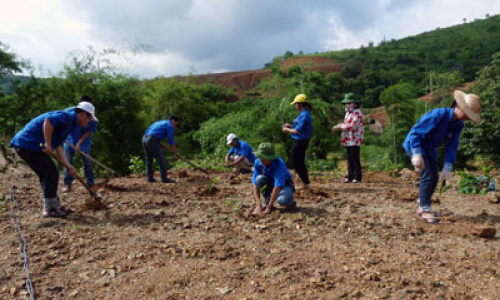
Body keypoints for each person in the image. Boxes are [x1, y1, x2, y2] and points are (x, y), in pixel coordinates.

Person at [403, 90, 481, 224]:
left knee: (434, 176)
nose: (468, 118)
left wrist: (447, 165)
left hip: (429, 149)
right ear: (460, 107)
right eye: (468, 114)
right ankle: (424, 209)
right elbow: (415, 133)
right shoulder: (438, 114)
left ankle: (423, 201)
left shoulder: (458, 125)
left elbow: (452, 145)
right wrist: (416, 153)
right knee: (428, 175)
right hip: (416, 145)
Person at [10, 102, 98, 218]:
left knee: (47, 174)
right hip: (28, 144)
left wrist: (68, 166)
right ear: (82, 115)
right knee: (52, 173)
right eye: (89, 119)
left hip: (26, 145)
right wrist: (48, 143)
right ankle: (49, 209)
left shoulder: (70, 123)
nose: (88, 123)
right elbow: (48, 121)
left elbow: (58, 147)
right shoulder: (67, 117)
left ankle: (54, 206)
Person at [62, 95, 97, 192]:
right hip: (69, 141)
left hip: (84, 142)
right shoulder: (69, 112)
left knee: (88, 163)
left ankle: (90, 184)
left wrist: (79, 144)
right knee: (67, 163)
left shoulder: (91, 116)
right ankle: (67, 185)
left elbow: (88, 131)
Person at [251, 142, 296, 215]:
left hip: (285, 184)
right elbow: (255, 184)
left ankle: (290, 201)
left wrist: (269, 207)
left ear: (270, 157)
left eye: (263, 157)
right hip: (271, 183)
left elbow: (278, 186)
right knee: (259, 179)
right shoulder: (258, 163)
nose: (261, 159)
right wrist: (258, 205)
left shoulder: (279, 164)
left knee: (282, 200)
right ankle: (267, 200)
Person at [332, 93, 365, 183]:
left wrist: (339, 127)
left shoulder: (358, 113)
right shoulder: (348, 113)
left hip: (355, 138)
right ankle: (350, 176)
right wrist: (338, 125)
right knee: (349, 158)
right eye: (346, 103)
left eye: (348, 103)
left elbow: (352, 126)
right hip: (348, 139)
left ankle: (357, 177)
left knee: (355, 158)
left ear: (354, 103)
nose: (347, 105)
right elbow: (345, 124)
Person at [282, 94, 312, 189]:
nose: (295, 106)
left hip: (301, 141)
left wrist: (287, 130)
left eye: (296, 104)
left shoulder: (305, 115)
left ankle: (303, 181)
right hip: (299, 141)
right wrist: (290, 125)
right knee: (298, 161)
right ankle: (303, 181)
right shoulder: (303, 114)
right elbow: (297, 127)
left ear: (299, 104)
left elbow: (297, 131)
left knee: (295, 161)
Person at [142, 116, 181, 183]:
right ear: (173, 121)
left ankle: (150, 178)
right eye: (176, 124)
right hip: (152, 140)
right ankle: (164, 179)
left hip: (144, 139)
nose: (175, 126)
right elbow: (171, 140)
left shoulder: (160, 122)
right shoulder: (169, 125)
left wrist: (158, 142)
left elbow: (152, 132)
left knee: (149, 160)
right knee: (161, 160)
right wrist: (176, 152)